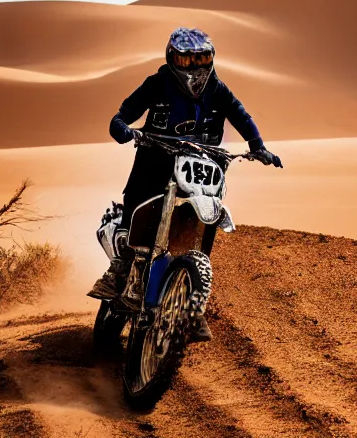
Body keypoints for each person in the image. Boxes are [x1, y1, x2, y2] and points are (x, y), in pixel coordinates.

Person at [88, 27, 282, 340]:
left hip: (204, 161)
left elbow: (240, 114)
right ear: (172, 58)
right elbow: (125, 112)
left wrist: (257, 144)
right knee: (136, 195)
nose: (196, 67)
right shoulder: (158, 83)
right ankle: (121, 268)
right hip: (156, 157)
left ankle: (192, 302)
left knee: (206, 217)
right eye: (187, 59)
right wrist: (121, 126)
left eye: (203, 58)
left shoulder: (217, 88)